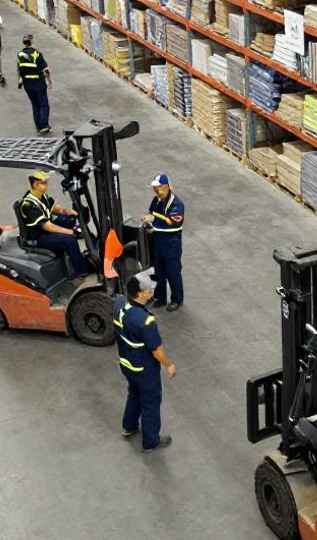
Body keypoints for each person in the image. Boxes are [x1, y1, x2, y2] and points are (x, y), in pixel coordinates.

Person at [114, 273, 177, 453]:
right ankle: (150, 441)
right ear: (141, 294)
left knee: (134, 393)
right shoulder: (145, 321)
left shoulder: (119, 304)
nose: (151, 290)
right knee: (150, 401)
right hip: (144, 370)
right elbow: (156, 351)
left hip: (126, 364)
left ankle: (129, 426)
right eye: (149, 289)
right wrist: (169, 364)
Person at [19, 171, 92, 276]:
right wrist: (71, 232)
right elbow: (47, 226)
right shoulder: (28, 205)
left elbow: (54, 208)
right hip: (39, 236)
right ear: (35, 184)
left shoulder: (42, 197)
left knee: (70, 220)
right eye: (43, 183)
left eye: (46, 182)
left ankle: (77, 252)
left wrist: (66, 211)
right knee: (70, 240)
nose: (47, 185)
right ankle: (83, 270)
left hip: (45, 226)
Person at [143, 174, 185, 312]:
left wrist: (153, 221)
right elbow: (151, 213)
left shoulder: (177, 204)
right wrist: (147, 222)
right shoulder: (156, 201)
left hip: (171, 247)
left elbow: (173, 223)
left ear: (166, 186)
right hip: (158, 245)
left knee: (173, 274)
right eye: (155, 187)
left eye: (158, 187)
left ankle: (177, 299)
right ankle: (160, 298)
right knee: (159, 274)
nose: (155, 190)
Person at [16, 35, 51, 133]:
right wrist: (49, 81)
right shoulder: (36, 54)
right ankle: (44, 124)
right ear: (32, 42)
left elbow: (20, 70)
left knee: (35, 105)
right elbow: (45, 69)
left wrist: (20, 81)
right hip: (39, 83)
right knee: (44, 104)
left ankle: (38, 126)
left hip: (28, 84)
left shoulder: (20, 55)